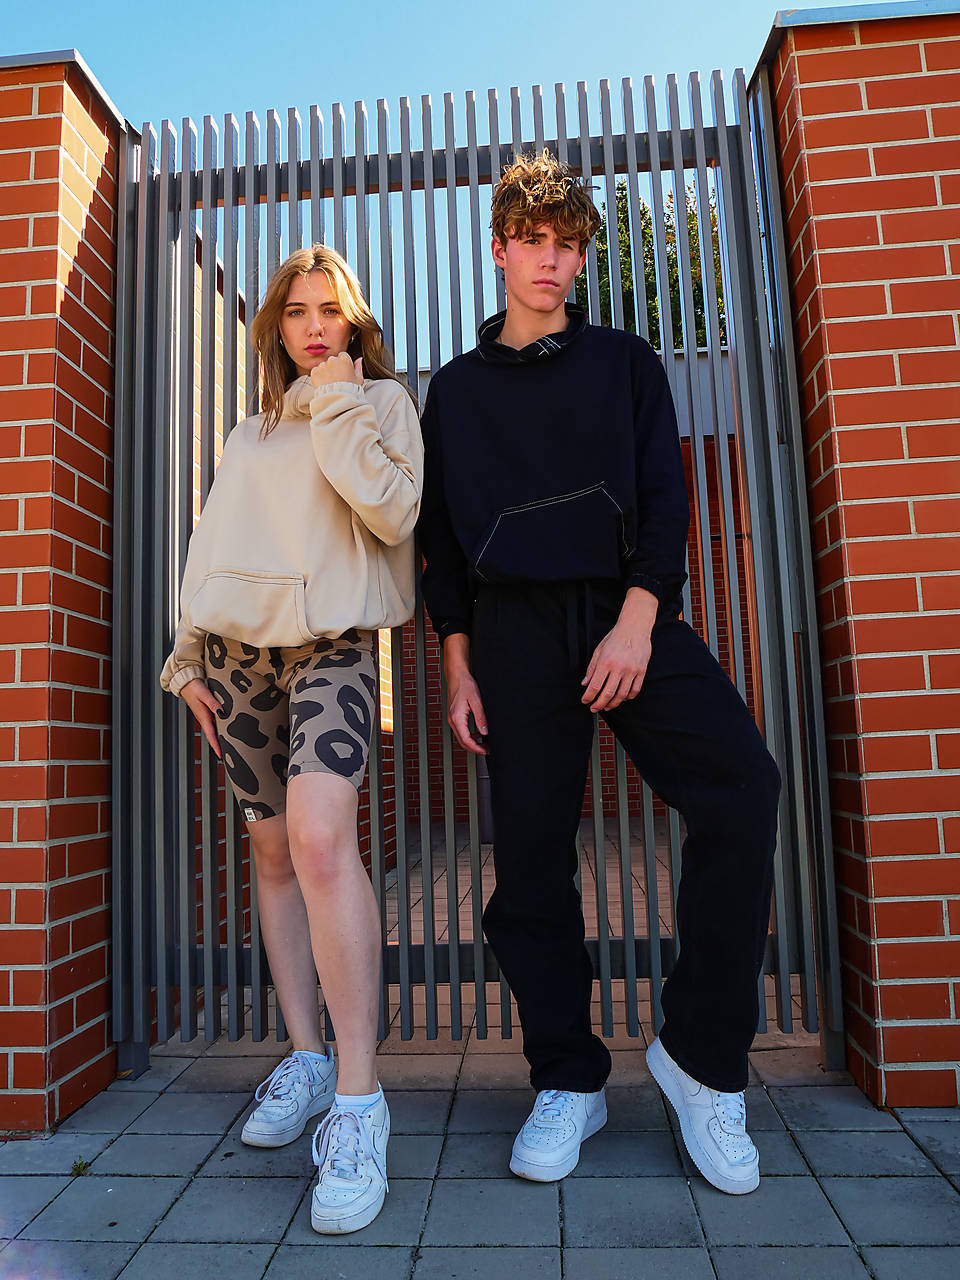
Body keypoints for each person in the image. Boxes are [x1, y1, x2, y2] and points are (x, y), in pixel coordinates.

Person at [419, 152, 781, 1195]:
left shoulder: (625, 362)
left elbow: (665, 500)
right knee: (530, 860)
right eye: (533, 240)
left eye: (568, 244)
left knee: (742, 786)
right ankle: (567, 1077)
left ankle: (701, 1060)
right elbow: (440, 543)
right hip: (512, 631)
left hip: (628, 614)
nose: (551, 259)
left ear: (583, 256)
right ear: (499, 248)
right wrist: (456, 663)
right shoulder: (455, 391)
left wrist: (636, 621)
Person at [160, 244, 423, 1233]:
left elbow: (392, 511)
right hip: (237, 656)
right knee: (271, 852)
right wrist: (186, 655)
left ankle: (358, 1100)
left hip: (336, 643)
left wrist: (339, 400)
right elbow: (214, 548)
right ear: (276, 325)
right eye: (298, 311)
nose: (315, 326)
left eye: (331, 310)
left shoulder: (382, 403)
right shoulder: (250, 431)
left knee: (319, 840)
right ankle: (306, 1057)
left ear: (354, 322)